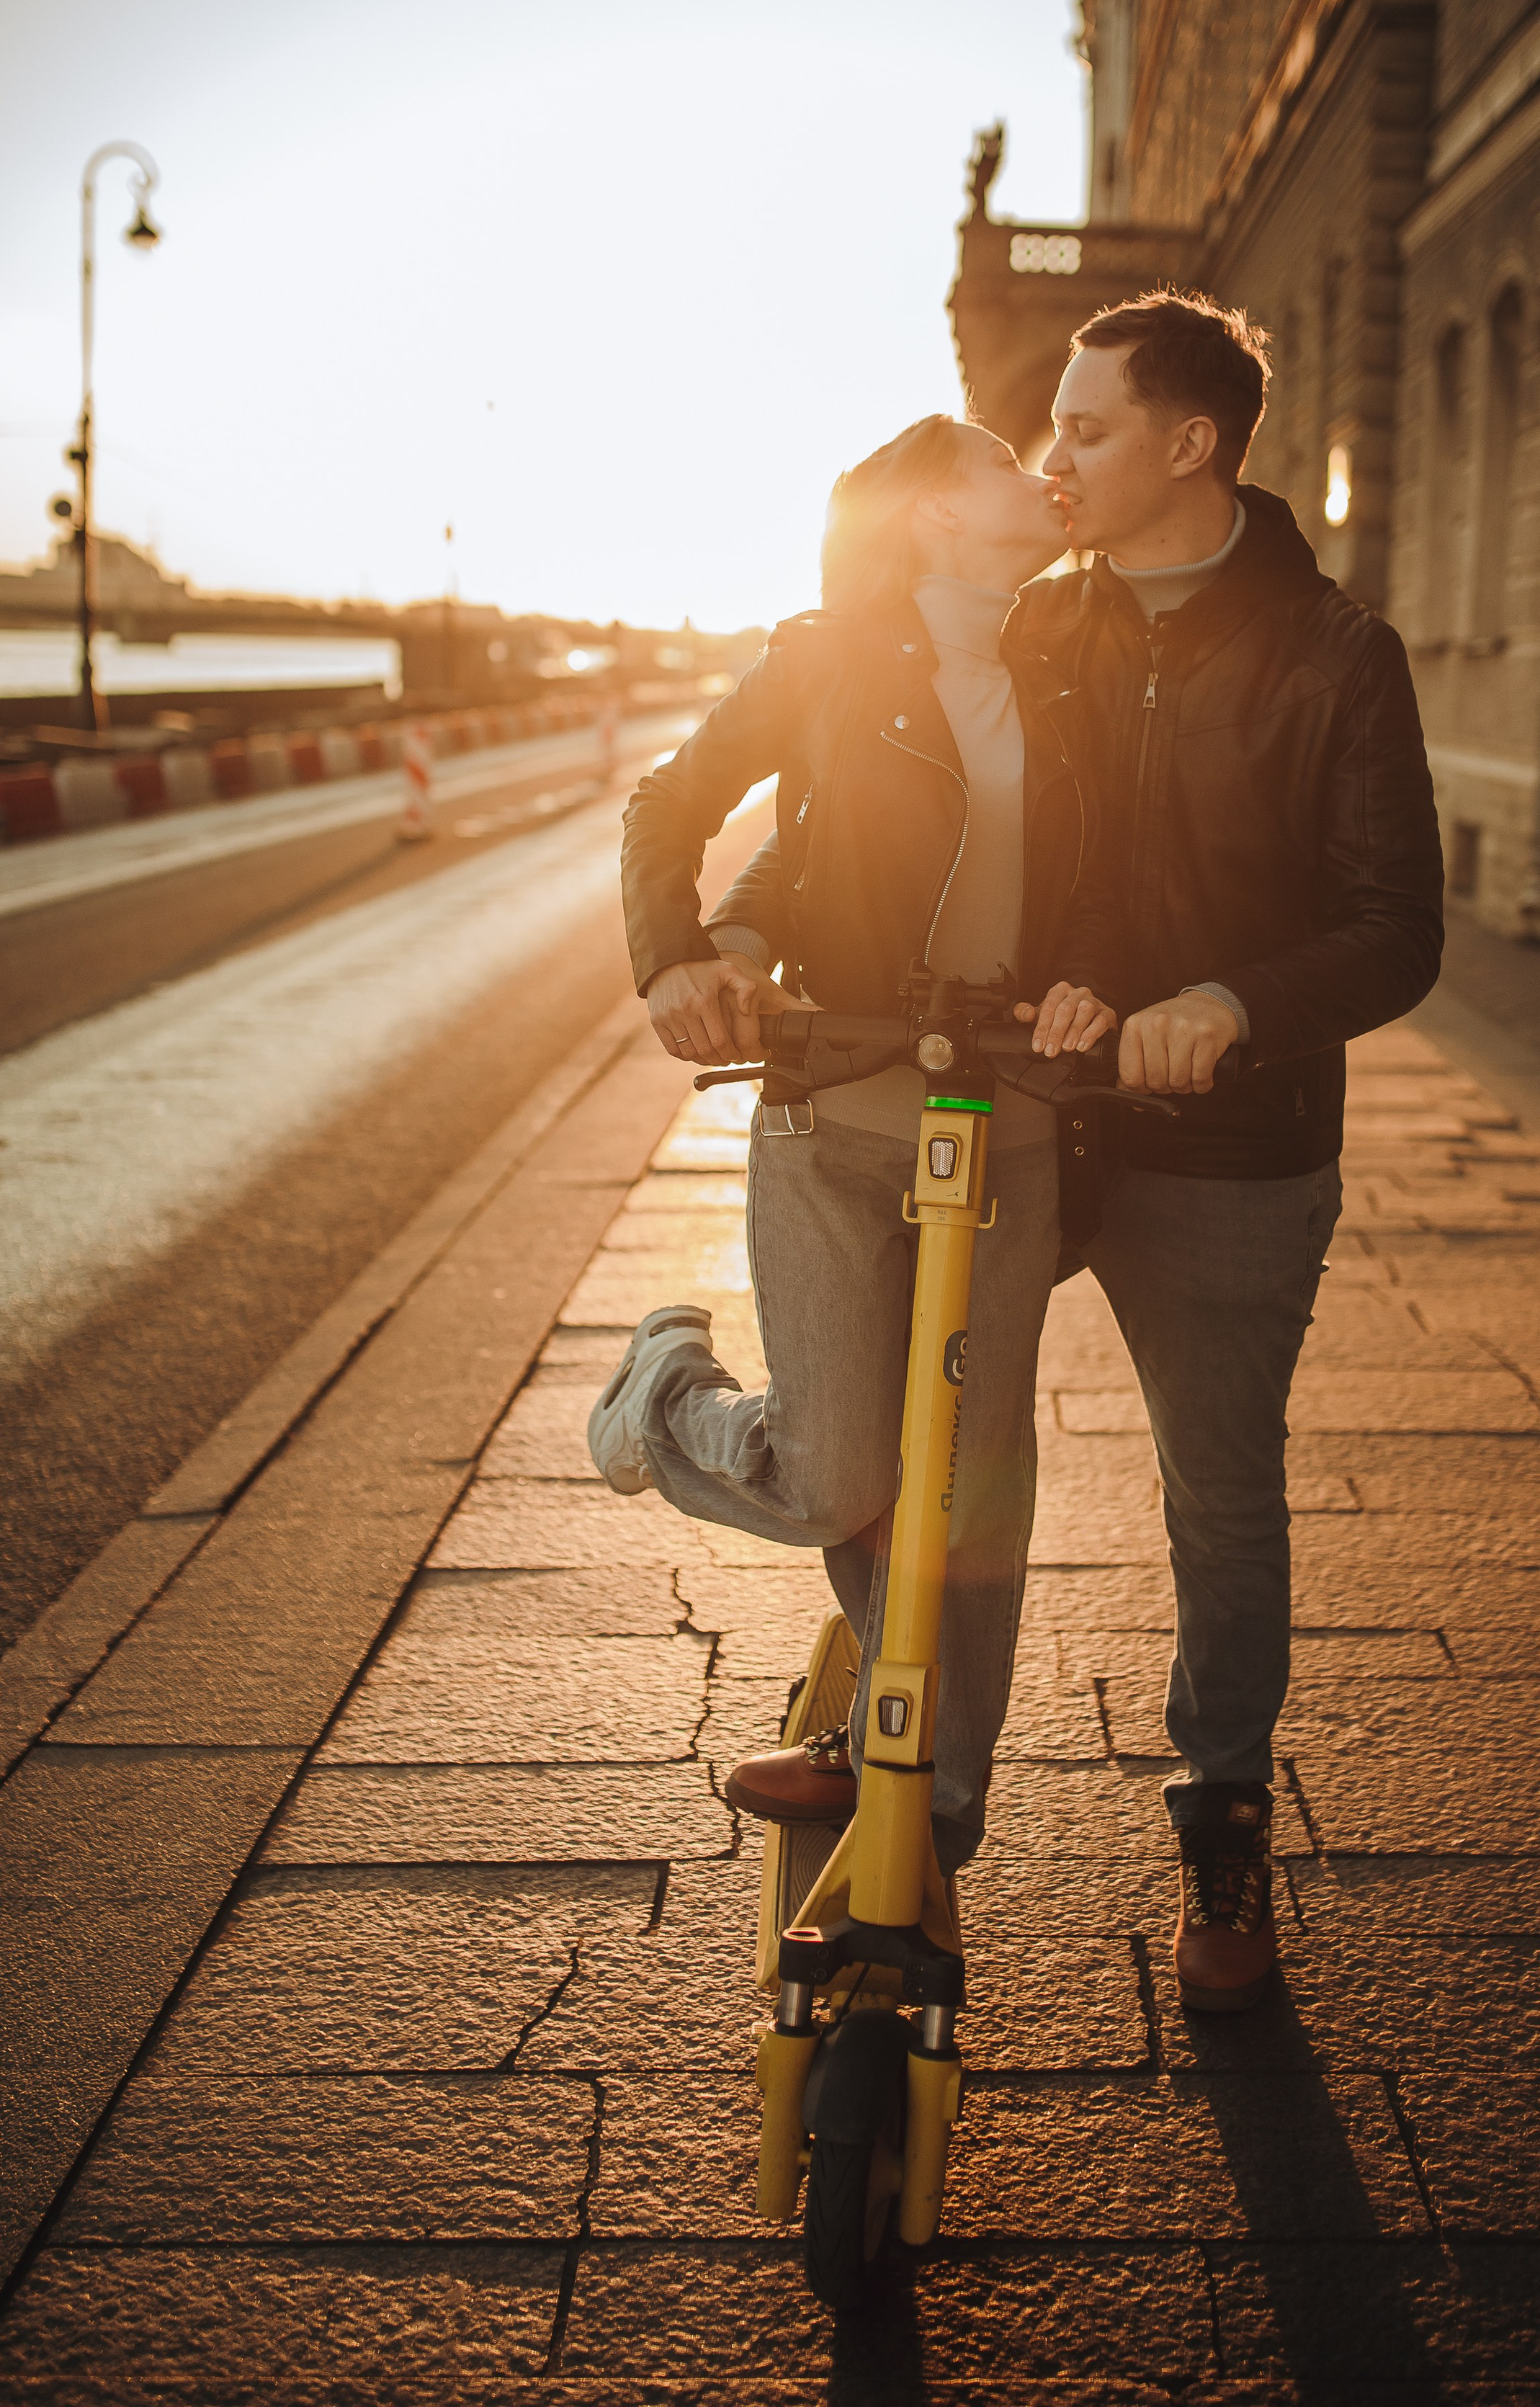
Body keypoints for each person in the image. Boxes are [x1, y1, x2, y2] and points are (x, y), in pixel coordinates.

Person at [713, 292, 1445, 2009]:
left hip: (1221, 1148)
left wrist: (1225, 1002)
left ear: (1188, 447)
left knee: (1217, 1494)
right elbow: (845, 811)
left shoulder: (1336, 655)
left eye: (1088, 430)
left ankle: (1220, 1822)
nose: (1051, 462)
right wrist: (744, 928)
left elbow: (1395, 931)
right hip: (1017, 1119)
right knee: (916, 1445)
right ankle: (889, 1734)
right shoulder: (1037, 622)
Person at [588, 414, 1119, 1877]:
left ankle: (928, 1813)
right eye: (1010, 466)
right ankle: (666, 1393)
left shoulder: (1065, 664)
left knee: (971, 1489)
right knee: (838, 1478)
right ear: (935, 520)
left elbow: (1107, 878)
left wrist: (1097, 979)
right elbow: (669, 805)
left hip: (1009, 1129)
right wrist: (679, 958)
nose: (1044, 477)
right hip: (833, 1119)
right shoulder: (824, 660)